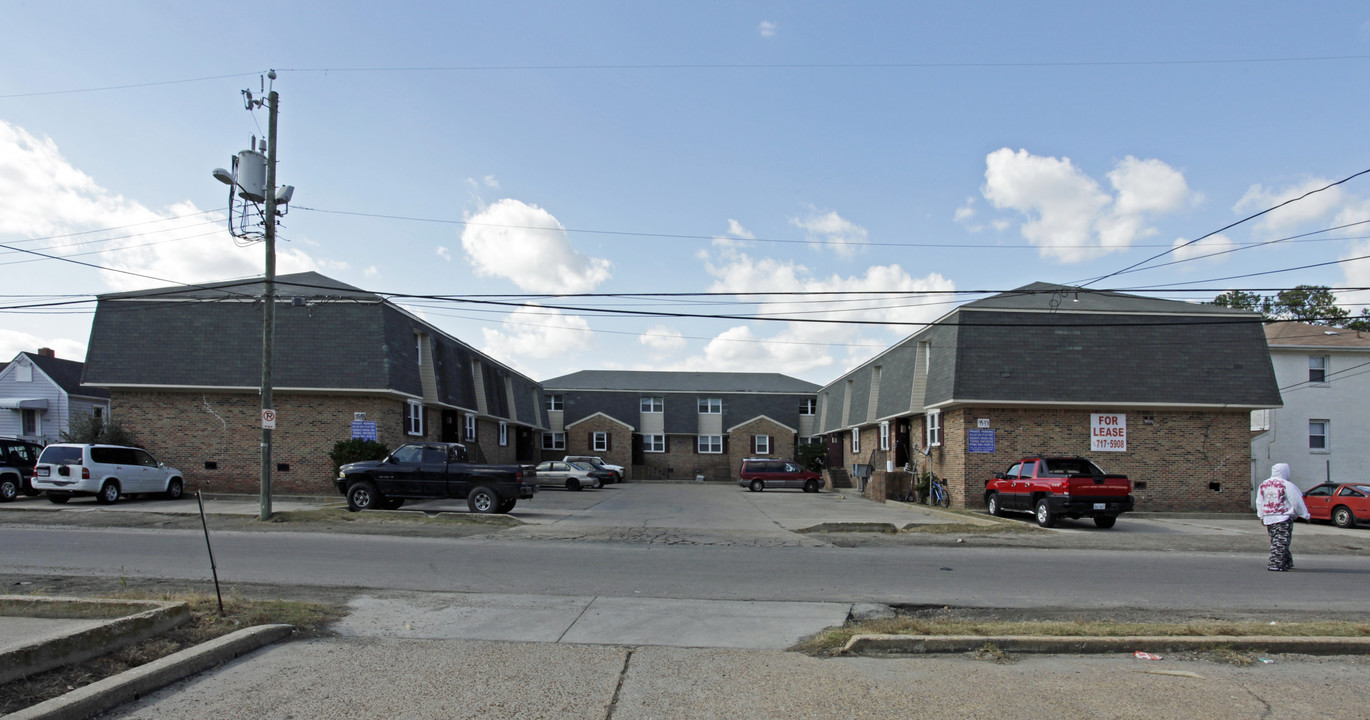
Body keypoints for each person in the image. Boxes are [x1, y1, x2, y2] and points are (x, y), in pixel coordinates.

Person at [1256, 463, 1310, 572]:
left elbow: (1260, 501)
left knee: (1277, 540)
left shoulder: (1264, 484)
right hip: (1283, 517)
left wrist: (1261, 515)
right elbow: (1296, 500)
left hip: (1269, 517)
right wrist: (1305, 515)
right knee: (1281, 541)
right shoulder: (1286, 484)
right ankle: (1275, 564)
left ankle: (1286, 561)